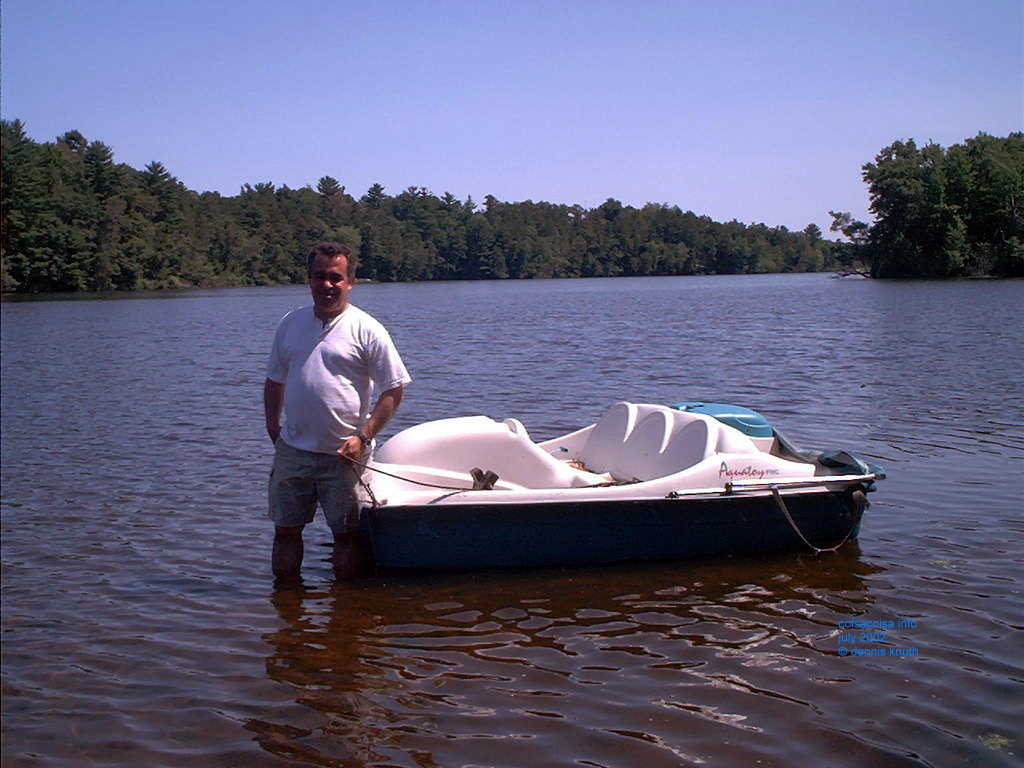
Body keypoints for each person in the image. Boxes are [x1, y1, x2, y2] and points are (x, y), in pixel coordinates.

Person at [264, 242, 411, 581]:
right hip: (293, 453)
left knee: (347, 537)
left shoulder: (367, 329)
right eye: (320, 277)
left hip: (345, 456)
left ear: (350, 282)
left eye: (336, 277)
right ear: (309, 280)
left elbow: (394, 389)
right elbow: (274, 381)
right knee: (285, 532)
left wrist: (364, 436)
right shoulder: (290, 323)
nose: (327, 285)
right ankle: (287, 613)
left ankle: (346, 622)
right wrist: (273, 428)